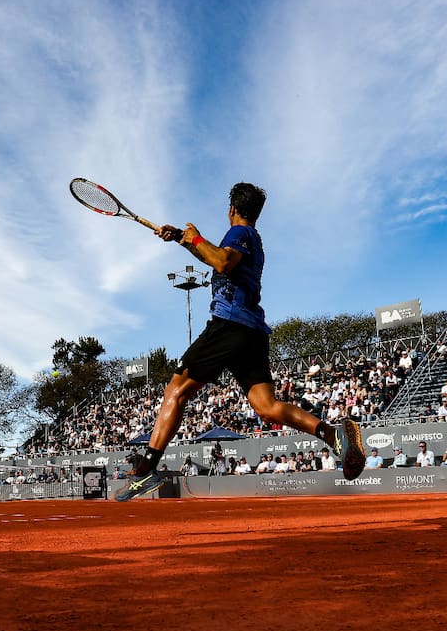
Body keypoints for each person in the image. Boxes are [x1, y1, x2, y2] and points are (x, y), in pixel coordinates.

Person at [115, 184, 365, 501]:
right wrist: (181, 237)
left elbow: (220, 262)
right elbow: (216, 257)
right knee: (267, 407)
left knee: (175, 391)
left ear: (232, 208)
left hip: (229, 324)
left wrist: (192, 237)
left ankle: (145, 471)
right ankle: (333, 433)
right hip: (252, 332)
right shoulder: (252, 239)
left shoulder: (239, 235)